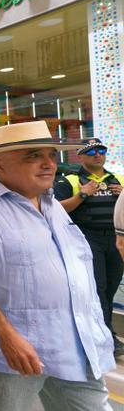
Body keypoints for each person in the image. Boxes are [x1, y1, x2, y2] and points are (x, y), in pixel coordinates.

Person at [0, 121, 114, 410]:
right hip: (16, 351)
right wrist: (6, 334)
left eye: (51, 155)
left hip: (75, 344)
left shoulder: (52, 205)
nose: (49, 164)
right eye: (33, 155)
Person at [54, 138, 124, 357]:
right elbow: (55, 209)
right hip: (86, 239)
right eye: (91, 151)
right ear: (80, 156)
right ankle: (106, 337)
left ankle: (102, 332)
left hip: (115, 240)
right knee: (98, 288)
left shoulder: (118, 179)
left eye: (101, 150)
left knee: (111, 287)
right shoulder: (70, 181)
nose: (97, 154)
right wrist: (82, 194)